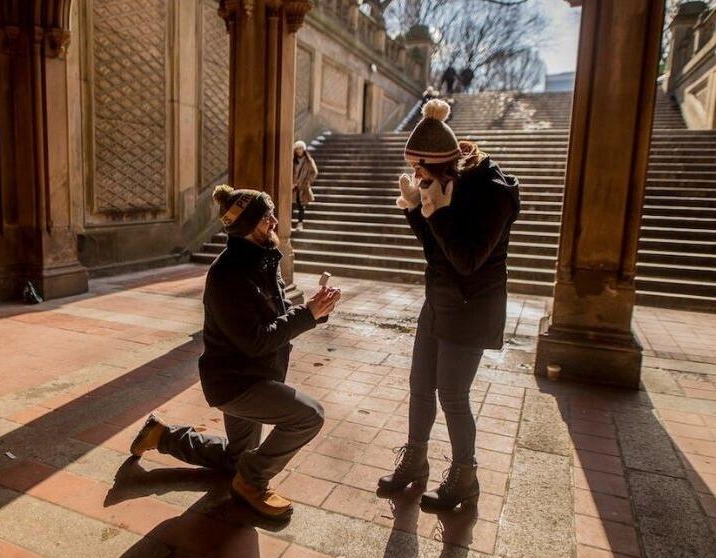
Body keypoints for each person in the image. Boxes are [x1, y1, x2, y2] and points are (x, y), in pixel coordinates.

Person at [129, 185, 341, 521]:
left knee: (236, 456)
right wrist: (308, 314)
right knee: (309, 416)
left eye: (271, 212)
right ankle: (251, 482)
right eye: (264, 216)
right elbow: (255, 341)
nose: (274, 220)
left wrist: (316, 308)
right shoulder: (228, 274)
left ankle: (162, 436)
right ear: (246, 227)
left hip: (257, 375)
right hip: (237, 384)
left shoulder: (263, 258)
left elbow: (278, 317)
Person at [377, 99, 520, 511]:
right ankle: (415, 464)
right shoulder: (439, 184)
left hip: (473, 307)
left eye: (420, 170)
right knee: (420, 386)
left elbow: (467, 260)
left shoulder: (491, 194)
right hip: (439, 300)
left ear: (441, 164)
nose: (416, 176)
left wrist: (436, 212)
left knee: (453, 395)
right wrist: (416, 212)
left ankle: (465, 477)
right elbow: (435, 251)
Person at [293, 141, 318, 231]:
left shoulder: (308, 160)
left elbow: (314, 172)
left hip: (303, 186)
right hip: (293, 186)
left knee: (301, 205)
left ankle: (300, 224)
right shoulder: (293, 160)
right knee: (291, 205)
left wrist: (308, 181)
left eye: (301, 148)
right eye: (297, 149)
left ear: (304, 149)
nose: (299, 150)